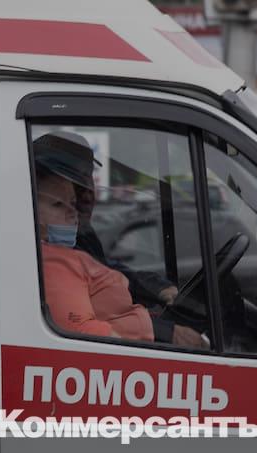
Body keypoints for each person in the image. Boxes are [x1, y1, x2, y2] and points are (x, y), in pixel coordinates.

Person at [33, 132, 207, 348]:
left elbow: (106, 268)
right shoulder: (54, 257)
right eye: (76, 184)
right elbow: (83, 332)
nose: (86, 194)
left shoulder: (79, 237)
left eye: (88, 179)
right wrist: (164, 332)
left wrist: (157, 287)